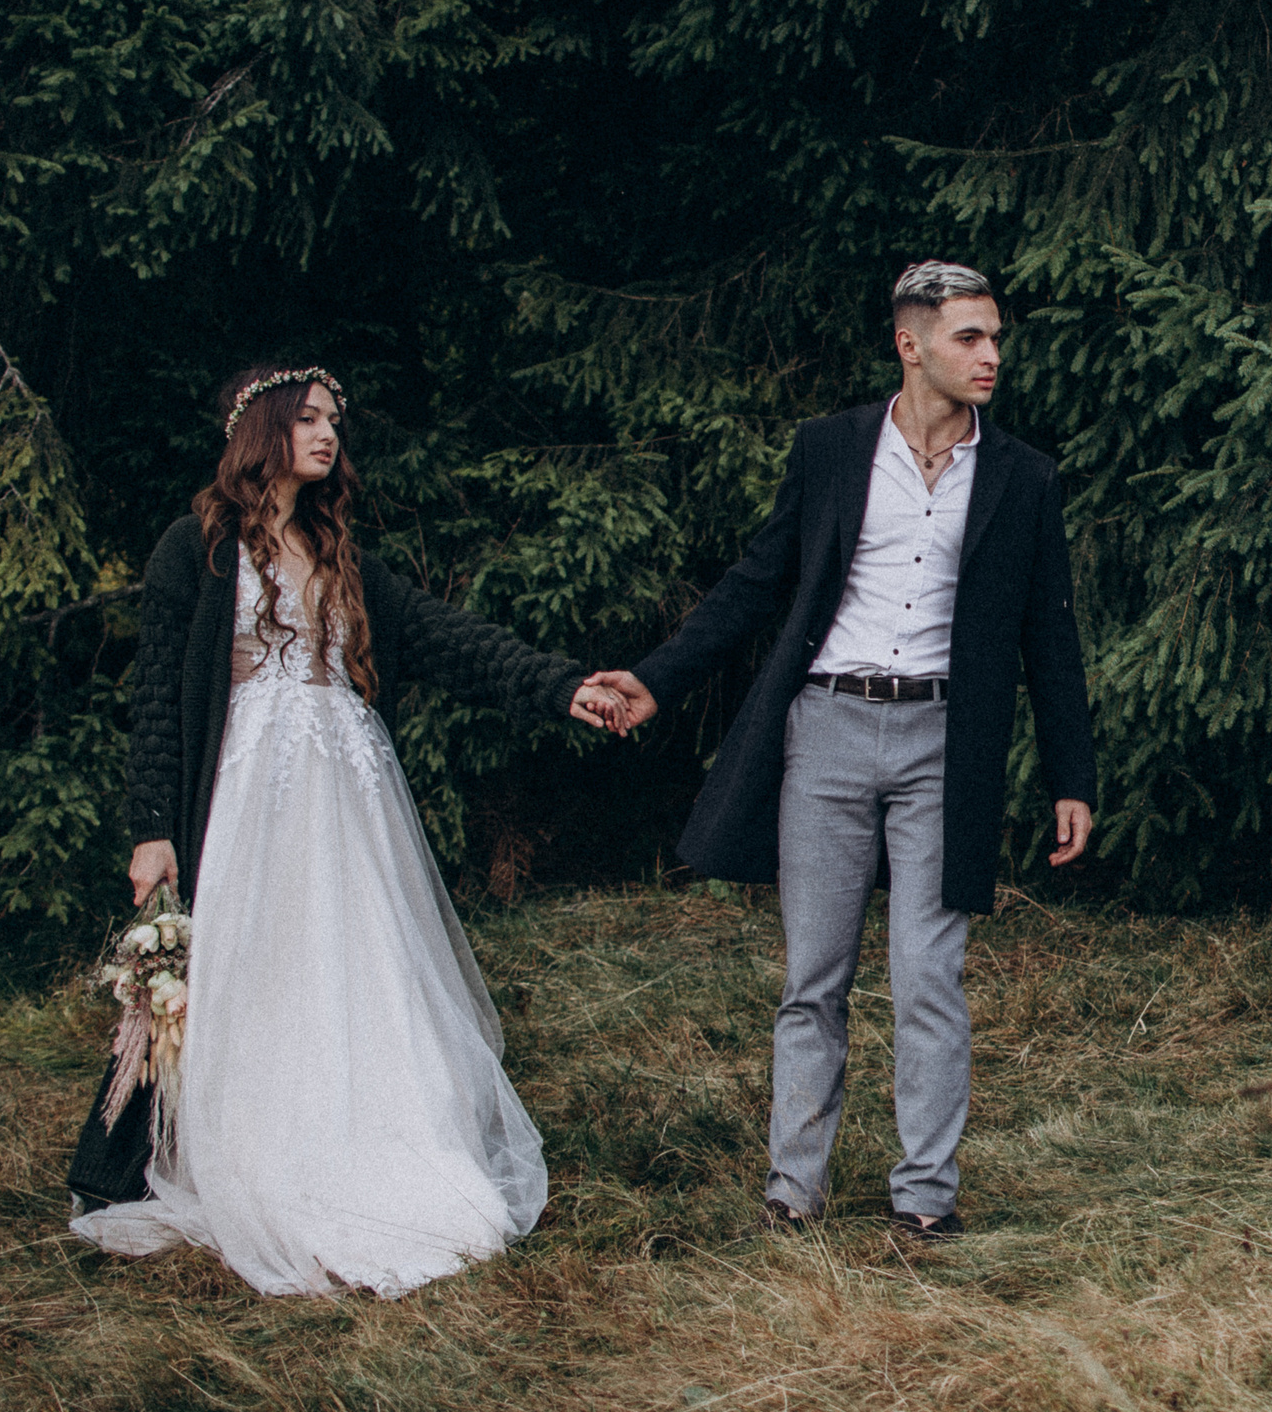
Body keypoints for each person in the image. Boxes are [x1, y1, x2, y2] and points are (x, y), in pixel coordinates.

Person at [71, 364, 631, 1296]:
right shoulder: (197, 547)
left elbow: (453, 640)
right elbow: (159, 700)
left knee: (359, 961)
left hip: (349, 792)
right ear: (261, 430)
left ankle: (376, 1147)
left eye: (335, 420)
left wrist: (562, 687)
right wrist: (152, 831)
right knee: (264, 968)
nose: (330, 435)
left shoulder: (339, 551)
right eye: (310, 419)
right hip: (248, 796)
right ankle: (261, 1155)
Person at [585, 260, 1095, 1240]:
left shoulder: (1023, 475)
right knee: (812, 973)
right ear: (911, 344)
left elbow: (1050, 632)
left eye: (996, 337)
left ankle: (925, 1202)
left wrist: (1073, 776)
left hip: (946, 742)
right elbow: (754, 581)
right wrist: (658, 675)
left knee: (927, 974)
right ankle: (793, 1190)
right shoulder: (829, 450)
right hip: (826, 731)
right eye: (969, 338)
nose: (992, 355)